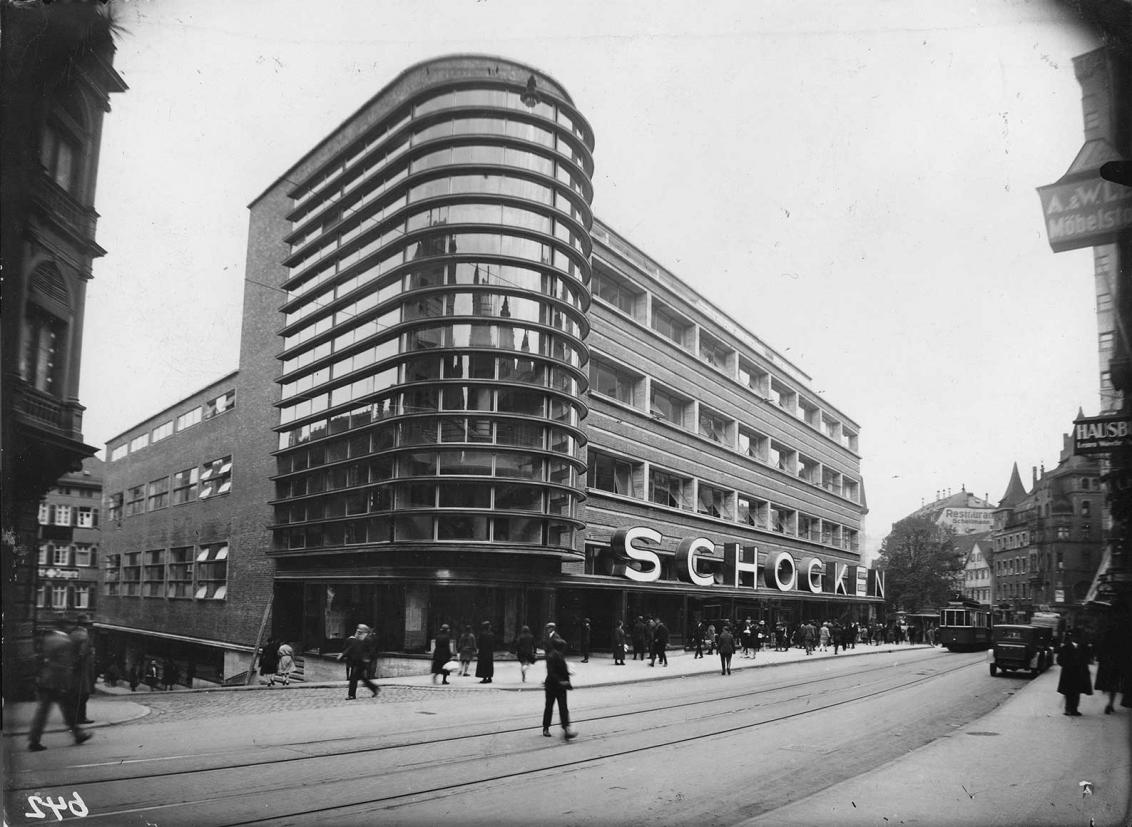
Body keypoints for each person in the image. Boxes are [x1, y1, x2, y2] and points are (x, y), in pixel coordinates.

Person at [28, 625, 92, 751]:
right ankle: (34, 741)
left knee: (61, 711)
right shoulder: (65, 644)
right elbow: (62, 667)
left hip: (47, 681)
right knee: (52, 711)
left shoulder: (56, 640)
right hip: (54, 683)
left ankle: (78, 734)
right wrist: (64, 685)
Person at [542, 637, 576, 740]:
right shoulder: (552, 656)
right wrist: (561, 681)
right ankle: (546, 728)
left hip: (560, 687)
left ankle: (566, 730)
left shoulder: (559, 655)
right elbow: (551, 672)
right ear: (559, 647)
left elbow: (563, 671)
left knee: (562, 708)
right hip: (553, 686)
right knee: (550, 707)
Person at [1057, 628, 1093, 716]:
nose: (1076, 639)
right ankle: (1068, 709)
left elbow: (1088, 658)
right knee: (1068, 692)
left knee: (1077, 692)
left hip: (1079, 673)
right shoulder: (1065, 647)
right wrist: (1066, 665)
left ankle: (1074, 709)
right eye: (1074, 637)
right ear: (1071, 638)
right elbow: (1059, 660)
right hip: (1068, 673)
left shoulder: (1084, 648)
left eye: (1078, 637)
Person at [338, 623, 380, 697]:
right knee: (361, 677)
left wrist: (367, 658)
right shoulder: (358, 638)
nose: (358, 631)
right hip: (357, 660)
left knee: (353, 677)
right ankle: (374, 688)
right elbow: (351, 647)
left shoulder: (368, 639)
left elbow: (372, 651)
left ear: (364, 631)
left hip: (362, 661)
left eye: (360, 630)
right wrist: (343, 654)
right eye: (358, 630)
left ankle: (351, 695)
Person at [1093, 621, 1125, 715]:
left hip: (1107, 663)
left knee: (1108, 683)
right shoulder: (1120, 637)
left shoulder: (1106, 636)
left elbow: (1100, 649)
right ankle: (1110, 703)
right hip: (1115, 662)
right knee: (1113, 684)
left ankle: (1110, 702)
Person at [69, 619, 96, 723]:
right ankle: (81, 717)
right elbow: (82, 653)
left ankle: (73, 716)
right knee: (83, 695)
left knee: (75, 695)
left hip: (73, 670)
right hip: (82, 670)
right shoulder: (84, 635)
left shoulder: (72, 634)